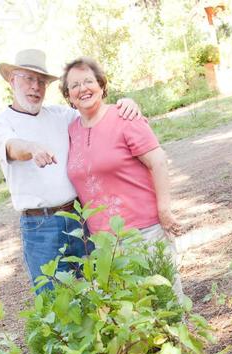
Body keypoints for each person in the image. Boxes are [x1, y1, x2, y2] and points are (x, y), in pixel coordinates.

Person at [0, 49, 141, 290]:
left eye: (41, 82)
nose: (35, 87)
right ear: (11, 80)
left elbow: (95, 111)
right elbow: (12, 147)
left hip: (78, 216)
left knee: (99, 286)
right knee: (53, 296)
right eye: (28, 79)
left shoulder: (61, 115)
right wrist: (32, 148)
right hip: (40, 226)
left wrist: (124, 104)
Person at [61, 57, 184, 299]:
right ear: (68, 95)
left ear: (101, 85)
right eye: (74, 85)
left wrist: (164, 210)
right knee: (129, 315)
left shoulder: (124, 116)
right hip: (105, 242)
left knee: (165, 304)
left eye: (88, 81)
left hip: (143, 232)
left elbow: (158, 161)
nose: (82, 89)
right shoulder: (72, 130)